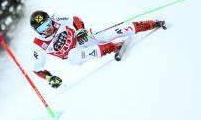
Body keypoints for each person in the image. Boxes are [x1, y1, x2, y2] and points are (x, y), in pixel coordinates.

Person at [30, 10, 166, 88]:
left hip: (81, 38)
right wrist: (50, 78)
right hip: (76, 53)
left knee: (108, 33)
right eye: (42, 28)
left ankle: (149, 24)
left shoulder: (56, 19)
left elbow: (75, 19)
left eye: (48, 23)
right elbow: (37, 69)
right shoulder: (39, 44)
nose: (48, 28)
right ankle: (113, 47)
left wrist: (80, 31)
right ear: (37, 31)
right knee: (72, 57)